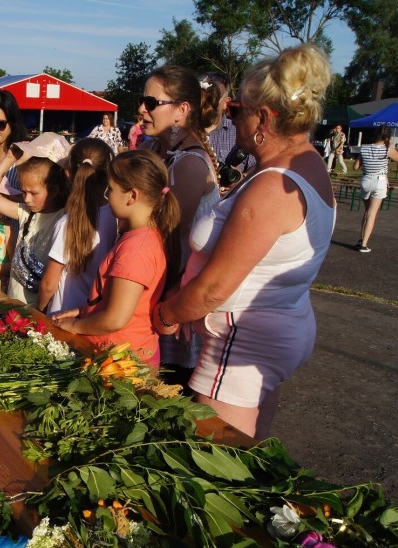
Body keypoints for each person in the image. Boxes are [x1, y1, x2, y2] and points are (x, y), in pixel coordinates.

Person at [152, 44, 337, 440]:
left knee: (212, 462)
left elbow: (216, 287)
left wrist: (168, 314)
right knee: (249, 448)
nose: (231, 119)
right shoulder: (308, 163)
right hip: (282, 324)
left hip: (243, 340)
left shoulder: (272, 187)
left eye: (237, 111)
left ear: (264, 119)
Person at [52, 150, 180, 366]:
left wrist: (75, 326)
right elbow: (124, 302)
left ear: (132, 196)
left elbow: (115, 318)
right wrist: (85, 312)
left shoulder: (137, 249)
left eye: (110, 190)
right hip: (121, 356)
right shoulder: (140, 238)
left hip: (122, 363)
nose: (107, 196)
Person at [138, 65, 222, 389]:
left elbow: (169, 241)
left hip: (168, 294)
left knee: (164, 392)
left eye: (151, 102)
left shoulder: (189, 163)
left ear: (182, 110)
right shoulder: (151, 150)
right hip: (147, 284)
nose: (142, 109)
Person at [0, 132, 71, 305]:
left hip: (37, 312)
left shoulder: (64, 218)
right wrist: (8, 160)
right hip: (14, 303)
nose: (27, 199)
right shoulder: (26, 213)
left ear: (55, 189)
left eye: (34, 193)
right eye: (23, 191)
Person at [37, 137, 118, 315]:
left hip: (61, 316)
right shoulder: (117, 217)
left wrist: (39, 309)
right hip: (95, 315)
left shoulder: (67, 223)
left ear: (68, 173)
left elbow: (49, 284)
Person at [201, 71, 256, 189]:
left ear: (226, 102)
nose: (205, 103)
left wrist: (241, 179)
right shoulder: (183, 132)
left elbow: (257, 165)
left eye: (212, 100)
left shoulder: (239, 130)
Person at [353, 125, 398, 253]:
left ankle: (361, 238)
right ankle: (364, 244)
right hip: (379, 181)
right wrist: (390, 145)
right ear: (388, 136)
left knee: (367, 211)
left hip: (366, 179)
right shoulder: (387, 149)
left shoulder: (365, 148)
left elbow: (355, 167)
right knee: (372, 213)